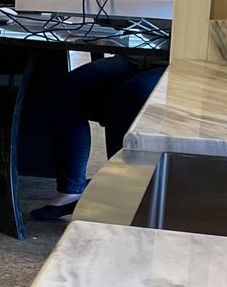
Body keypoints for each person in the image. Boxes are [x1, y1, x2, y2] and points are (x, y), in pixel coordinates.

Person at [32, 55, 166, 221]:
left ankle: (119, 196)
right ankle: (71, 190)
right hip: (135, 55)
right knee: (68, 87)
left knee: (128, 98)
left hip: (173, 62)